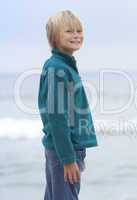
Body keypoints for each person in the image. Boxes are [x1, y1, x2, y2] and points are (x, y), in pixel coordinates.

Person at [38, 10, 98, 200]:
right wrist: (68, 159)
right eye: (69, 31)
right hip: (64, 149)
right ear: (54, 36)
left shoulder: (61, 65)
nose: (76, 35)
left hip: (61, 148)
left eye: (79, 30)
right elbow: (56, 117)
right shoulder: (58, 68)